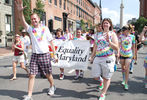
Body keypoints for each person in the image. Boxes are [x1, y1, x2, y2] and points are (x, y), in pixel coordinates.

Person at [15, 0, 58, 100]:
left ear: (38, 19)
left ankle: (52, 86)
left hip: (45, 55)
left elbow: (51, 42)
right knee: (31, 75)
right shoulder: (30, 29)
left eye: (35, 19)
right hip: (35, 55)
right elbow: (22, 21)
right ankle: (29, 95)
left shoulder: (45, 29)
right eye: (32, 19)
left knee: (48, 75)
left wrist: (54, 54)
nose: (33, 20)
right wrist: (20, 11)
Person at [90, 18, 118, 100]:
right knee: (95, 76)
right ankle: (101, 80)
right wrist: (92, 56)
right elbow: (95, 46)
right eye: (104, 23)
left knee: (107, 77)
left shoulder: (112, 34)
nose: (105, 24)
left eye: (107, 23)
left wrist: (109, 42)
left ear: (110, 25)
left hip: (108, 58)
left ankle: (103, 93)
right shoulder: (98, 34)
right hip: (98, 57)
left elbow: (116, 47)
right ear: (102, 25)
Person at [119, 25, 136, 90]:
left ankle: (126, 83)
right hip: (122, 54)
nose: (123, 32)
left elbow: (133, 47)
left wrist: (134, 55)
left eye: (124, 30)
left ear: (128, 30)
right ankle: (123, 79)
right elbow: (119, 45)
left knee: (127, 68)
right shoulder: (121, 36)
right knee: (123, 68)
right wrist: (117, 53)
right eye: (123, 30)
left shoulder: (132, 37)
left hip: (129, 55)